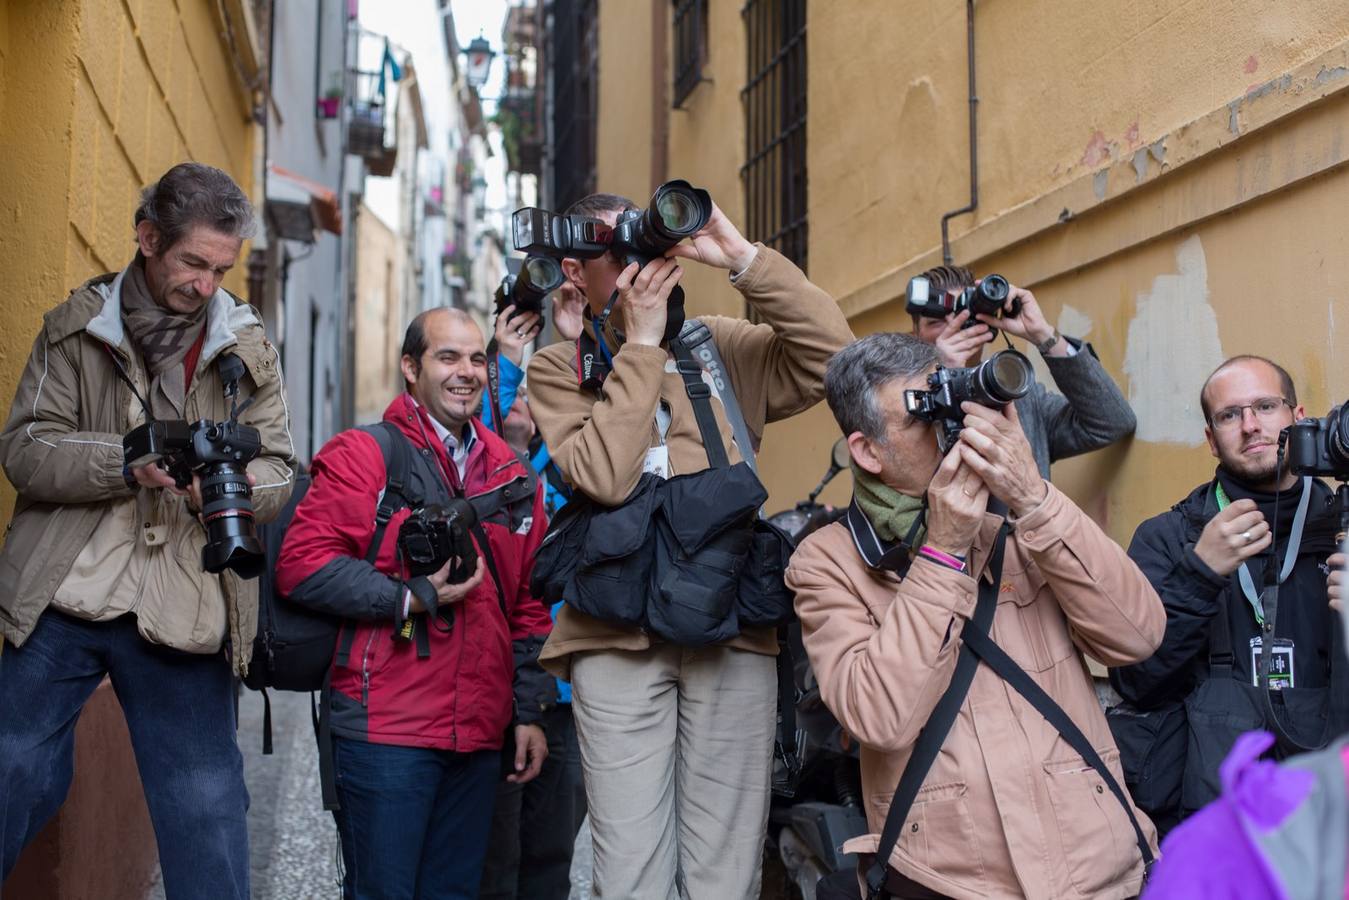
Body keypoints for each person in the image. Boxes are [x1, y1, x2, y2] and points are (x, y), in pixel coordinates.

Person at [526, 193, 852, 898]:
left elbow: (837, 362)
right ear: (579, 276)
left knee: (724, 870)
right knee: (630, 870)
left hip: (728, 628)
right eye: (617, 254)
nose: (640, 264)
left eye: (644, 245)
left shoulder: (721, 344)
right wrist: (640, 348)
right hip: (614, 637)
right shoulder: (559, 369)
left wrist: (742, 258)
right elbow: (603, 478)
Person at [0, 162, 296, 897]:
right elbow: (26, 450)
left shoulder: (247, 346)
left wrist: (222, 490)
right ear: (147, 238)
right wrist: (125, 461)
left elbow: (283, 470)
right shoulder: (77, 327)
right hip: (70, 591)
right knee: (11, 766)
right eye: (193, 262)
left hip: (183, 601)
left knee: (208, 811)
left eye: (222, 269)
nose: (206, 285)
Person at [786, 332, 1163, 899]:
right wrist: (942, 551)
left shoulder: (1021, 525)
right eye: (924, 416)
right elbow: (880, 718)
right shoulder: (827, 560)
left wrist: (1036, 499)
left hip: (1096, 867)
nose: (950, 431)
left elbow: (1137, 636)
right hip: (951, 879)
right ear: (868, 451)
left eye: (951, 403)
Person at [275, 307, 555, 899]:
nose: (467, 372)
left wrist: (528, 711)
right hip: (386, 732)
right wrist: (408, 598)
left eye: (477, 358)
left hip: (479, 736)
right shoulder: (365, 455)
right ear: (411, 367)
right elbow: (302, 566)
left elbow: (529, 605)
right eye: (447, 357)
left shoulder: (512, 475)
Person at [1110, 355, 1349, 831]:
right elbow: (1136, 682)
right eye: (1229, 415)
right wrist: (1199, 574)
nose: (1251, 426)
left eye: (1265, 405)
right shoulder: (1168, 537)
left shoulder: (1341, 529)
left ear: (1298, 418)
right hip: (1211, 813)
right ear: (1211, 440)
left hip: (1330, 809)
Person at [911, 265, 1136, 477]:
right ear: (915, 335)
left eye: (963, 314)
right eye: (936, 322)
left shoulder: (1017, 394)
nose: (954, 325)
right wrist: (941, 376)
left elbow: (1113, 423)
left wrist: (1043, 335)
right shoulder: (904, 402)